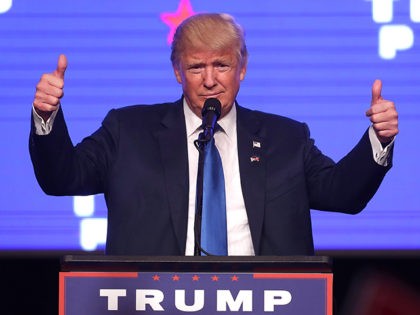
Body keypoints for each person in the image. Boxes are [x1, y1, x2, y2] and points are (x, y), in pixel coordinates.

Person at [30, 13, 398, 256]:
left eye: (222, 64)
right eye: (195, 67)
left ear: (242, 68)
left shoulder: (286, 139)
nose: (210, 80)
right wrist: (47, 116)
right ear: (177, 71)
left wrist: (378, 139)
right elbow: (61, 177)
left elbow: (343, 194)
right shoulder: (127, 132)